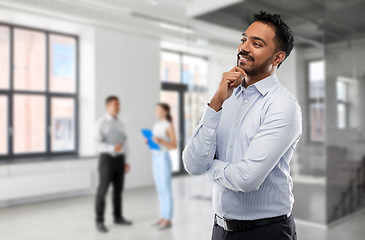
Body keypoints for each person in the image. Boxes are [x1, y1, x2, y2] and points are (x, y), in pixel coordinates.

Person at [182, 11, 302, 240]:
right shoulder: (226, 97)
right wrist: (216, 102)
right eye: (243, 39)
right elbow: (192, 163)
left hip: (266, 232)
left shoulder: (282, 105)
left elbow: (246, 179)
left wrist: (211, 168)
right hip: (220, 229)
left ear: (277, 58)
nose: (244, 47)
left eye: (256, 43)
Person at [95, 96, 132, 233]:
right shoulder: (101, 123)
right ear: (108, 106)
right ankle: (99, 221)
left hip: (120, 159)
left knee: (118, 190)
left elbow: (125, 142)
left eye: (119, 105)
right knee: (102, 191)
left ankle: (118, 216)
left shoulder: (120, 123)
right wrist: (111, 148)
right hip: (107, 159)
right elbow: (96, 144)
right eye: (116, 105)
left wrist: (126, 160)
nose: (118, 108)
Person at [146, 103, 177, 230]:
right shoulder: (156, 125)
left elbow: (174, 145)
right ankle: (163, 216)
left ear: (165, 111)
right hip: (155, 157)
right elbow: (155, 143)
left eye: (158, 110)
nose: (156, 112)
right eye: (155, 110)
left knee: (166, 189)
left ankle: (168, 218)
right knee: (159, 189)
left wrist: (161, 141)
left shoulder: (168, 126)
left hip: (164, 158)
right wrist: (149, 141)